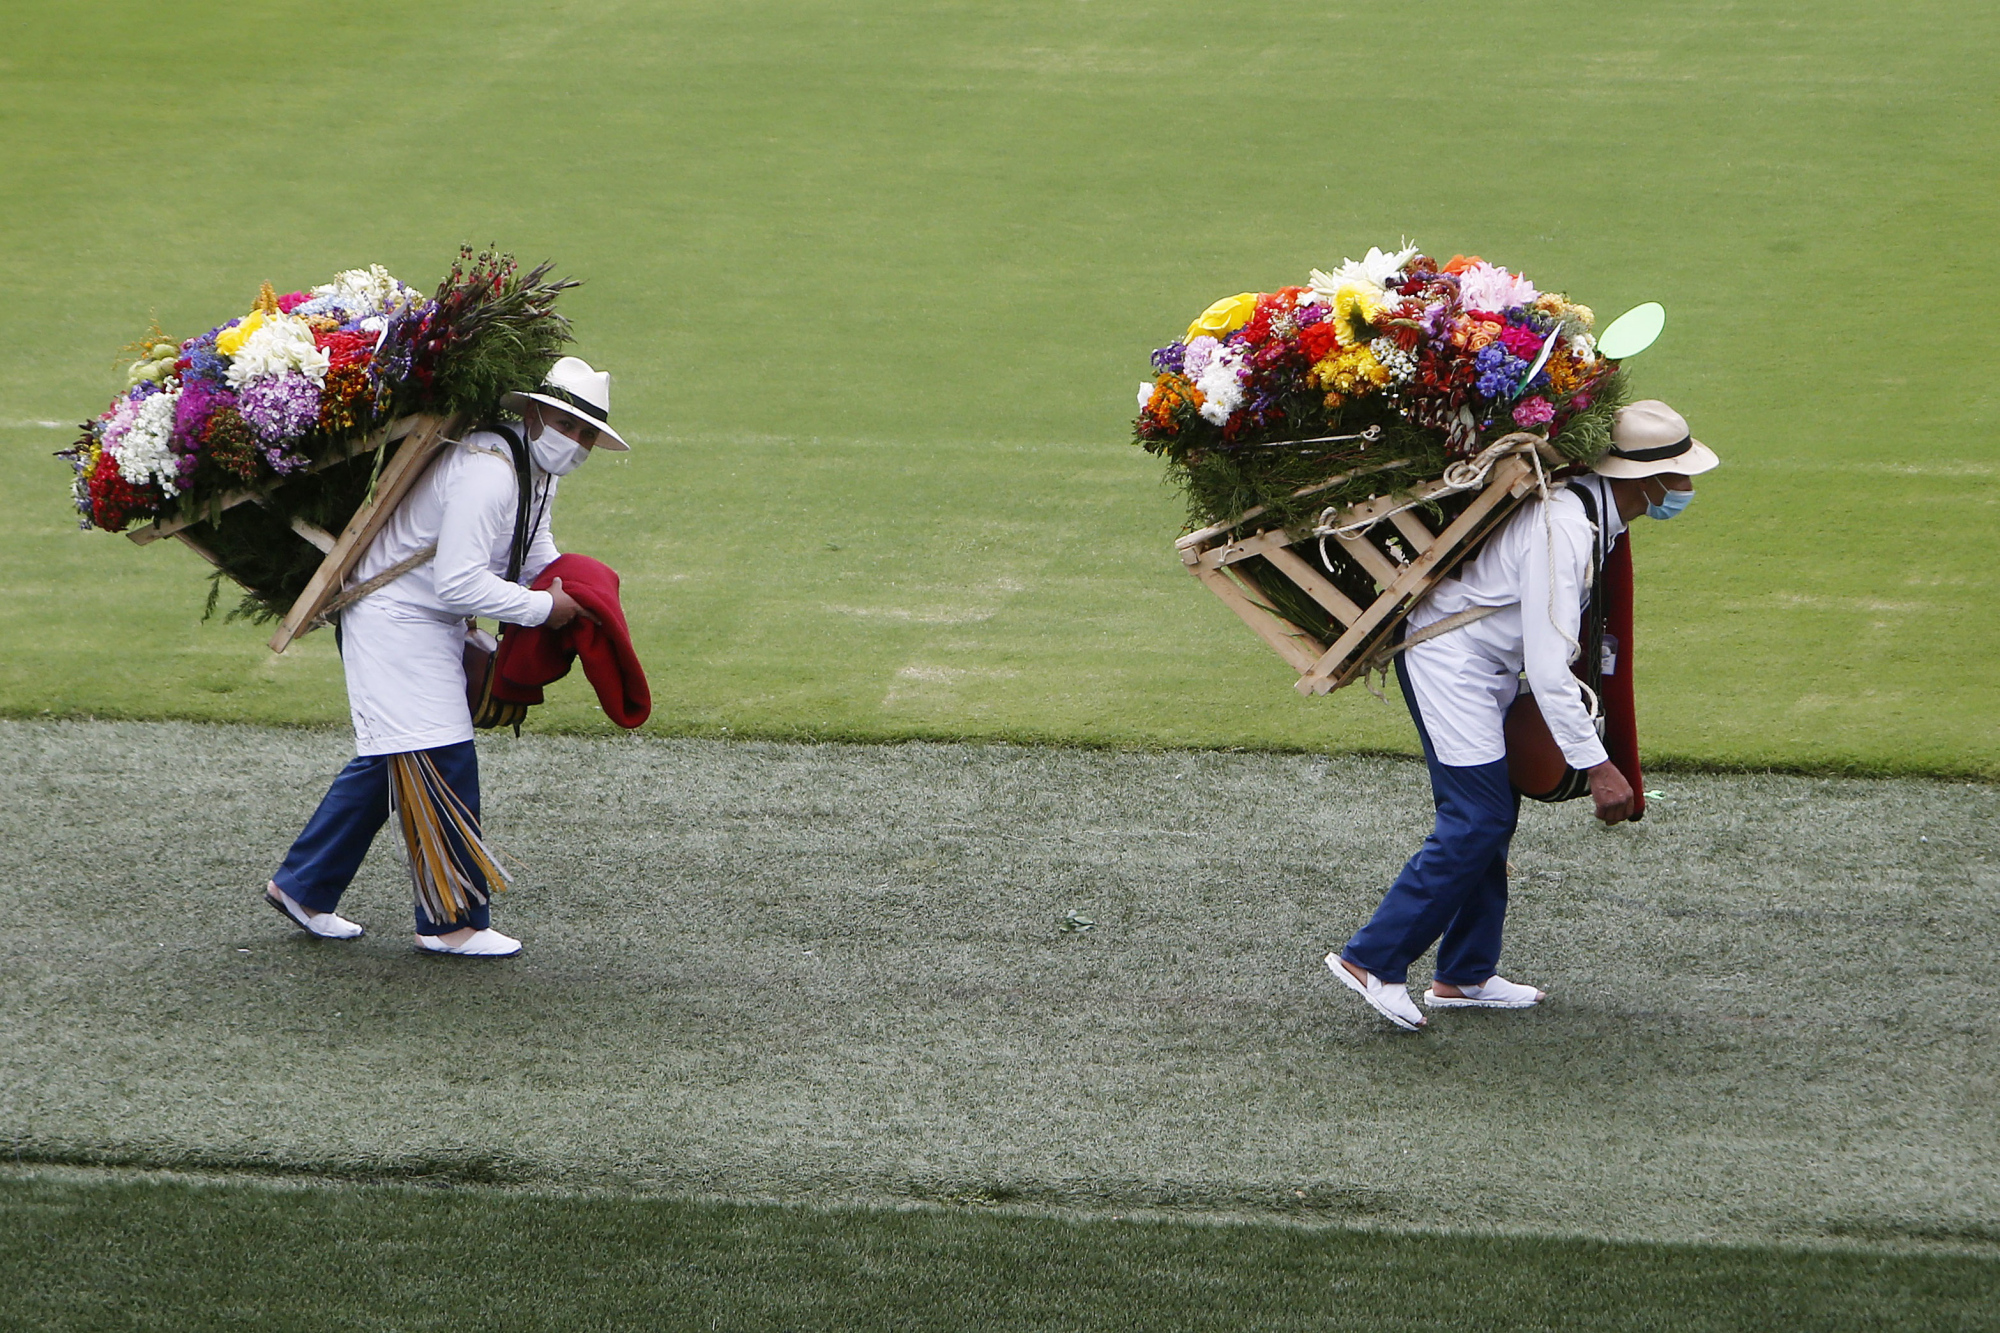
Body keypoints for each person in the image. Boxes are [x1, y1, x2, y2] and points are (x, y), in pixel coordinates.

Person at [1328, 400, 1719, 1029]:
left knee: (1492, 817)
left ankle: (1464, 975)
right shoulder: (1564, 529)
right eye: (1679, 474)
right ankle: (1372, 959)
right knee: (1476, 817)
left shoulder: (1599, 509)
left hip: (1485, 663)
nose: (1689, 487)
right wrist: (1599, 767)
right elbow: (1547, 664)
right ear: (1643, 481)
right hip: (1448, 662)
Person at [262, 356, 629, 957]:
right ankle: (450, 924)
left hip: (426, 619)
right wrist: (543, 611)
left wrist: (571, 590)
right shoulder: (488, 473)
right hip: (395, 619)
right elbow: (457, 583)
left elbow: (533, 548)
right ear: (535, 413)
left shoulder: (532, 468)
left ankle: (302, 886)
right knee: (442, 756)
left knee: (394, 758)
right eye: (569, 426)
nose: (578, 443)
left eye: (588, 434)